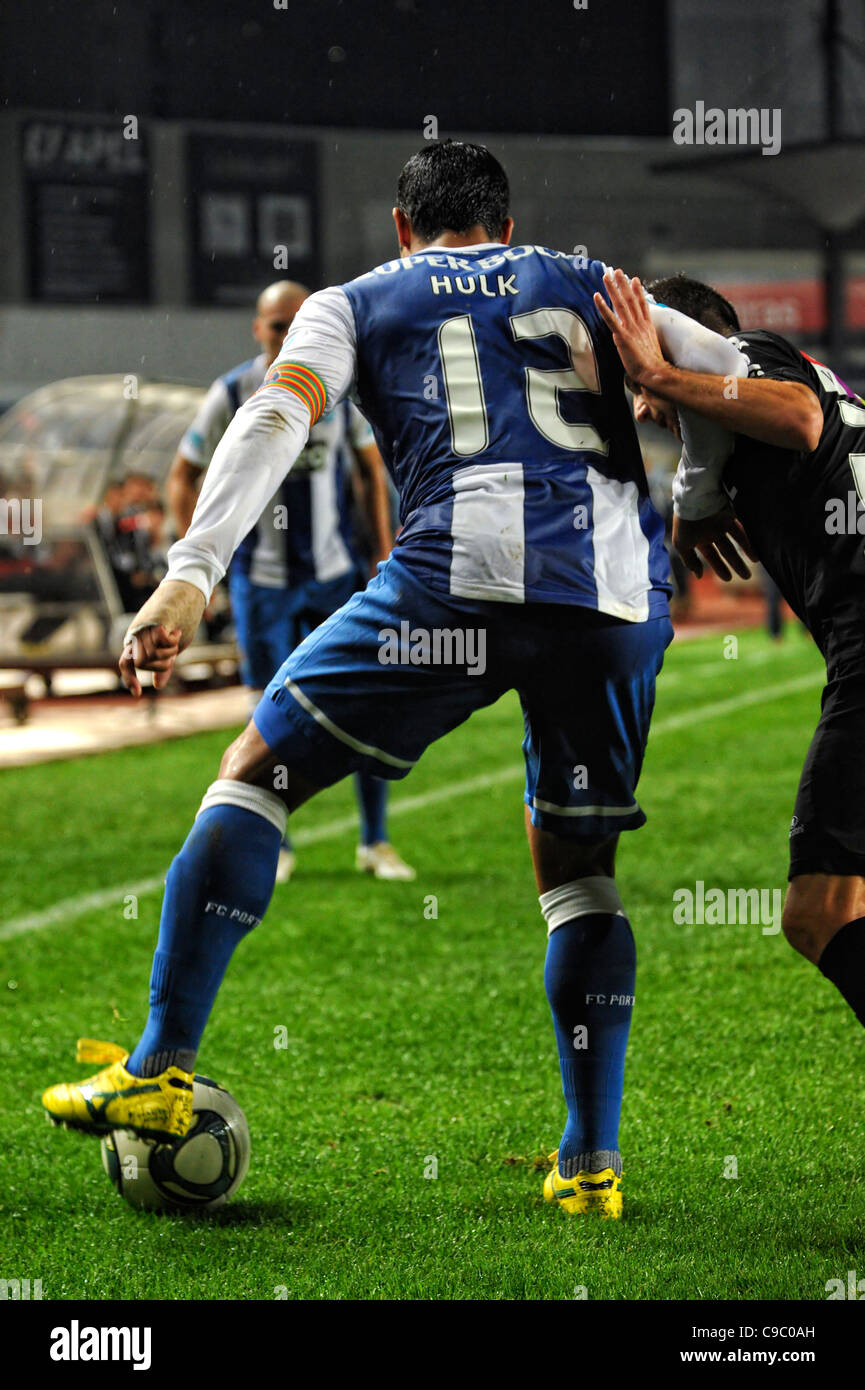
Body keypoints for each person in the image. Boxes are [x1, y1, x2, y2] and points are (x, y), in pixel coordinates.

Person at [42, 142, 743, 1219]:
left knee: (255, 772)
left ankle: (159, 1063)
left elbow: (279, 414)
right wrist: (696, 490)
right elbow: (732, 373)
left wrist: (189, 575)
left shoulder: (358, 298)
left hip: (452, 583)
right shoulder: (596, 282)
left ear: (401, 227)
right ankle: (589, 1165)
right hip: (611, 603)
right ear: (505, 228)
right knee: (577, 876)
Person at [595, 268, 865, 1045]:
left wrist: (657, 372)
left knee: (817, 913)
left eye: (638, 375)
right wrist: (695, 496)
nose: (641, 406)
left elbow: (799, 418)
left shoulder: (745, 358)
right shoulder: (741, 415)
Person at [166, 280, 414, 882]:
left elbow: (366, 472)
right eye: (276, 325)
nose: (285, 333)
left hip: (335, 574)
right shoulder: (230, 393)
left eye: (295, 322)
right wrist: (200, 570)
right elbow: (182, 476)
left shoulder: (337, 383)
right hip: (264, 583)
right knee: (265, 716)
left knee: (364, 706)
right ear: (257, 330)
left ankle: (374, 841)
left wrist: (385, 552)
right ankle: (274, 845)